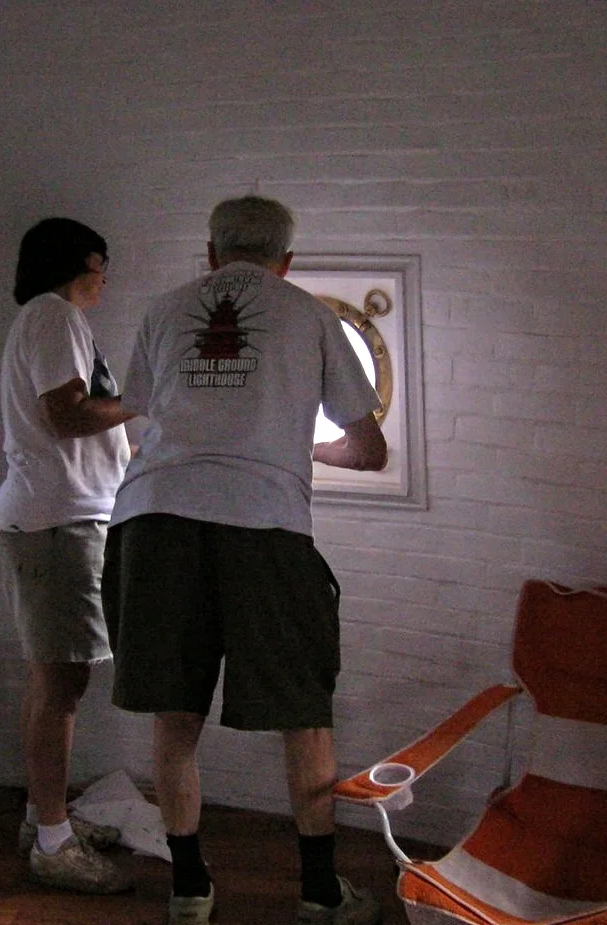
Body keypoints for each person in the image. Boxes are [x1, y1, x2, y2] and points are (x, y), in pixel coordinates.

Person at [102, 196, 388, 925]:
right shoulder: (313, 315)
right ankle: (321, 893)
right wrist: (301, 446)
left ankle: (190, 888)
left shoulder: (162, 311)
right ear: (286, 262)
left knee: (176, 714)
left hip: (153, 521)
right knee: (304, 715)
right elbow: (367, 448)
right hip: (263, 526)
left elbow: (143, 415)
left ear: (209, 254)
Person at [0, 217, 136, 895]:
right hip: (55, 523)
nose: (106, 279)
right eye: (102, 266)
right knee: (62, 687)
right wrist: (141, 399)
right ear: (81, 263)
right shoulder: (52, 316)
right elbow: (67, 416)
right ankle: (52, 844)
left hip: (53, 519)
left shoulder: (51, 320)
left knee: (52, 683)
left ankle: (39, 820)